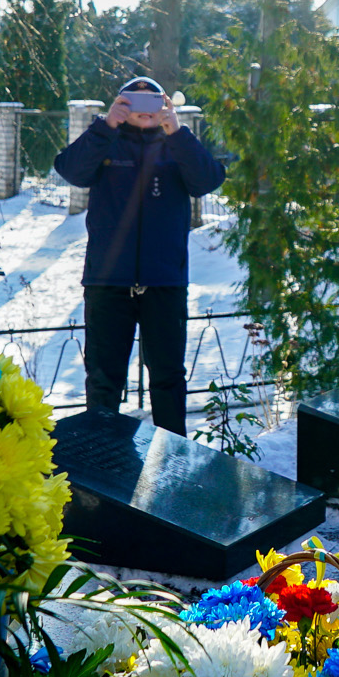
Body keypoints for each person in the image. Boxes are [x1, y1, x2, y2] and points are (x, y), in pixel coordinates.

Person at [53, 76, 226, 431]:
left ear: (165, 105)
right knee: (103, 382)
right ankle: (101, 462)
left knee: (167, 380)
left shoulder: (177, 145)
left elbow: (207, 181)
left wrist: (177, 132)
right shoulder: (106, 142)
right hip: (107, 282)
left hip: (165, 282)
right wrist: (106, 125)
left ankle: (171, 463)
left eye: (153, 100)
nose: (144, 108)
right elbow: (69, 170)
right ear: (121, 105)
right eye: (134, 100)